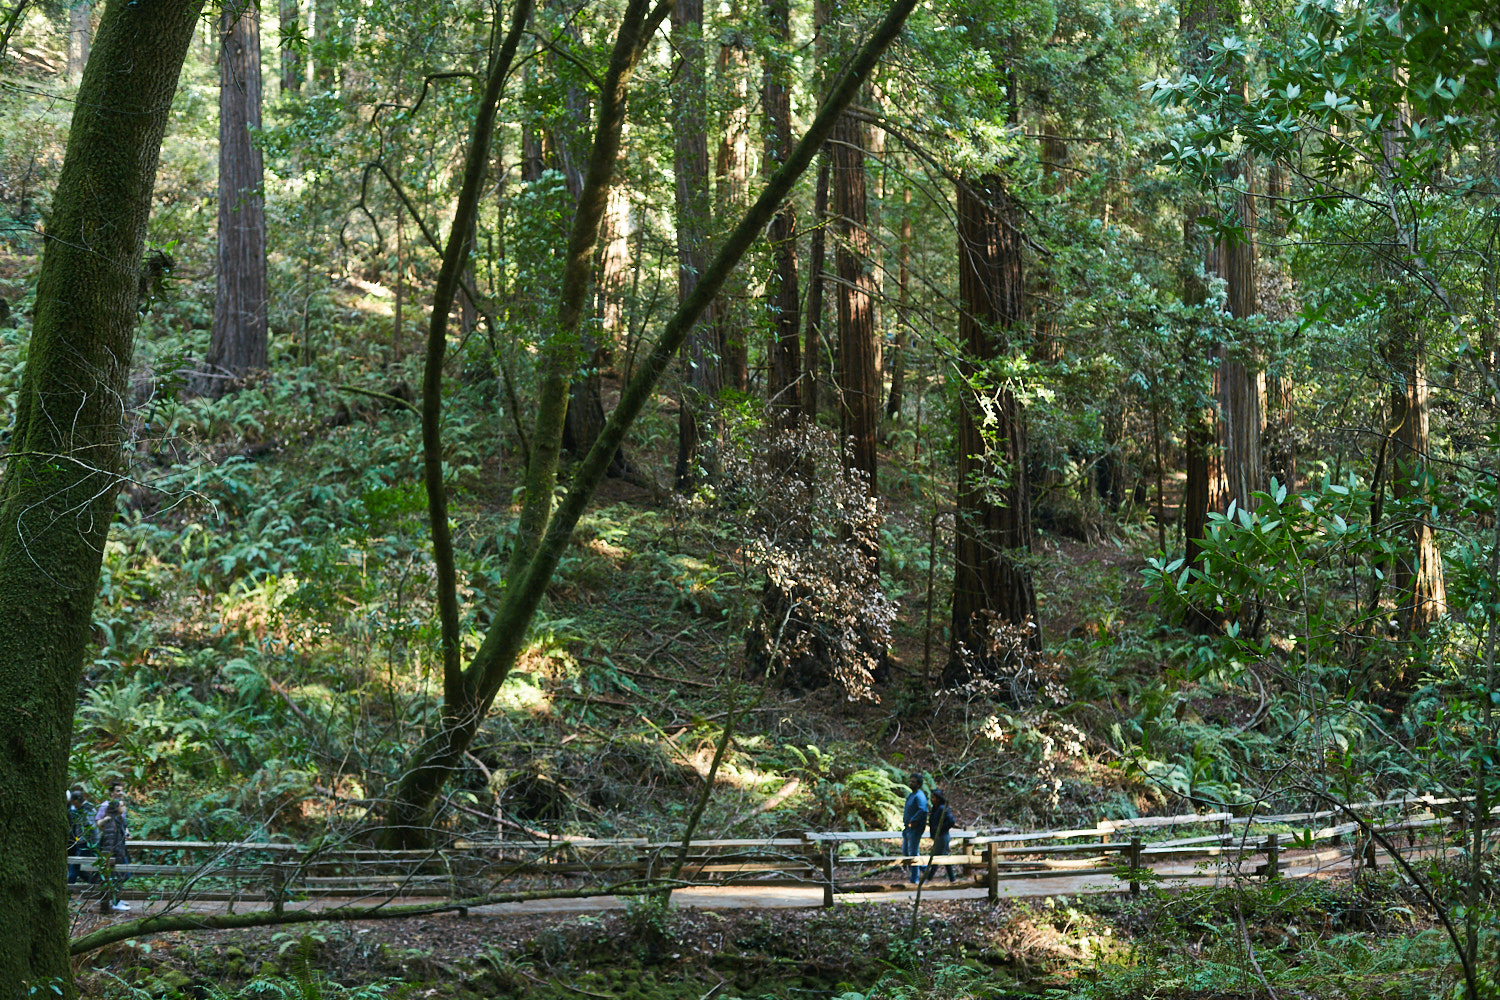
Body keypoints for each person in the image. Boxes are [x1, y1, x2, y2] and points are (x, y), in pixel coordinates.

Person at [96, 799, 131, 913]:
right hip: (114, 855)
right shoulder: (111, 822)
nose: (124, 807)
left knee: (122, 876)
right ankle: (115, 902)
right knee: (116, 878)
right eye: (121, 805)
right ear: (116, 808)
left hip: (120, 853)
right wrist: (110, 857)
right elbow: (109, 840)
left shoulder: (119, 820)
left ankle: (114, 900)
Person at [924, 789, 959, 883]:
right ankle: (952, 879)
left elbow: (951, 821)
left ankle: (928, 878)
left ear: (938, 798)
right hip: (939, 837)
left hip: (942, 836)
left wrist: (940, 829)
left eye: (933, 797)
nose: (932, 799)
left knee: (937, 857)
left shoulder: (942, 808)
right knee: (944, 856)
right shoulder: (936, 808)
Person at [66, 785, 98, 884]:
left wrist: (81, 840)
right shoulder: (81, 809)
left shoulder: (87, 810)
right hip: (82, 842)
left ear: (76, 801)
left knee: (75, 865)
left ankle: (68, 889)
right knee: (79, 867)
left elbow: (91, 827)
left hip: (86, 843)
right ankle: (94, 884)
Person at [902, 773, 928, 884]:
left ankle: (915, 879)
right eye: (910, 781)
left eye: (913, 782)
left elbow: (923, 810)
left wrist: (913, 820)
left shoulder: (919, 796)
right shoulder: (912, 795)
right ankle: (925, 869)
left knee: (913, 853)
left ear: (918, 784)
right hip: (907, 828)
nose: (910, 783)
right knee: (906, 852)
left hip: (915, 829)